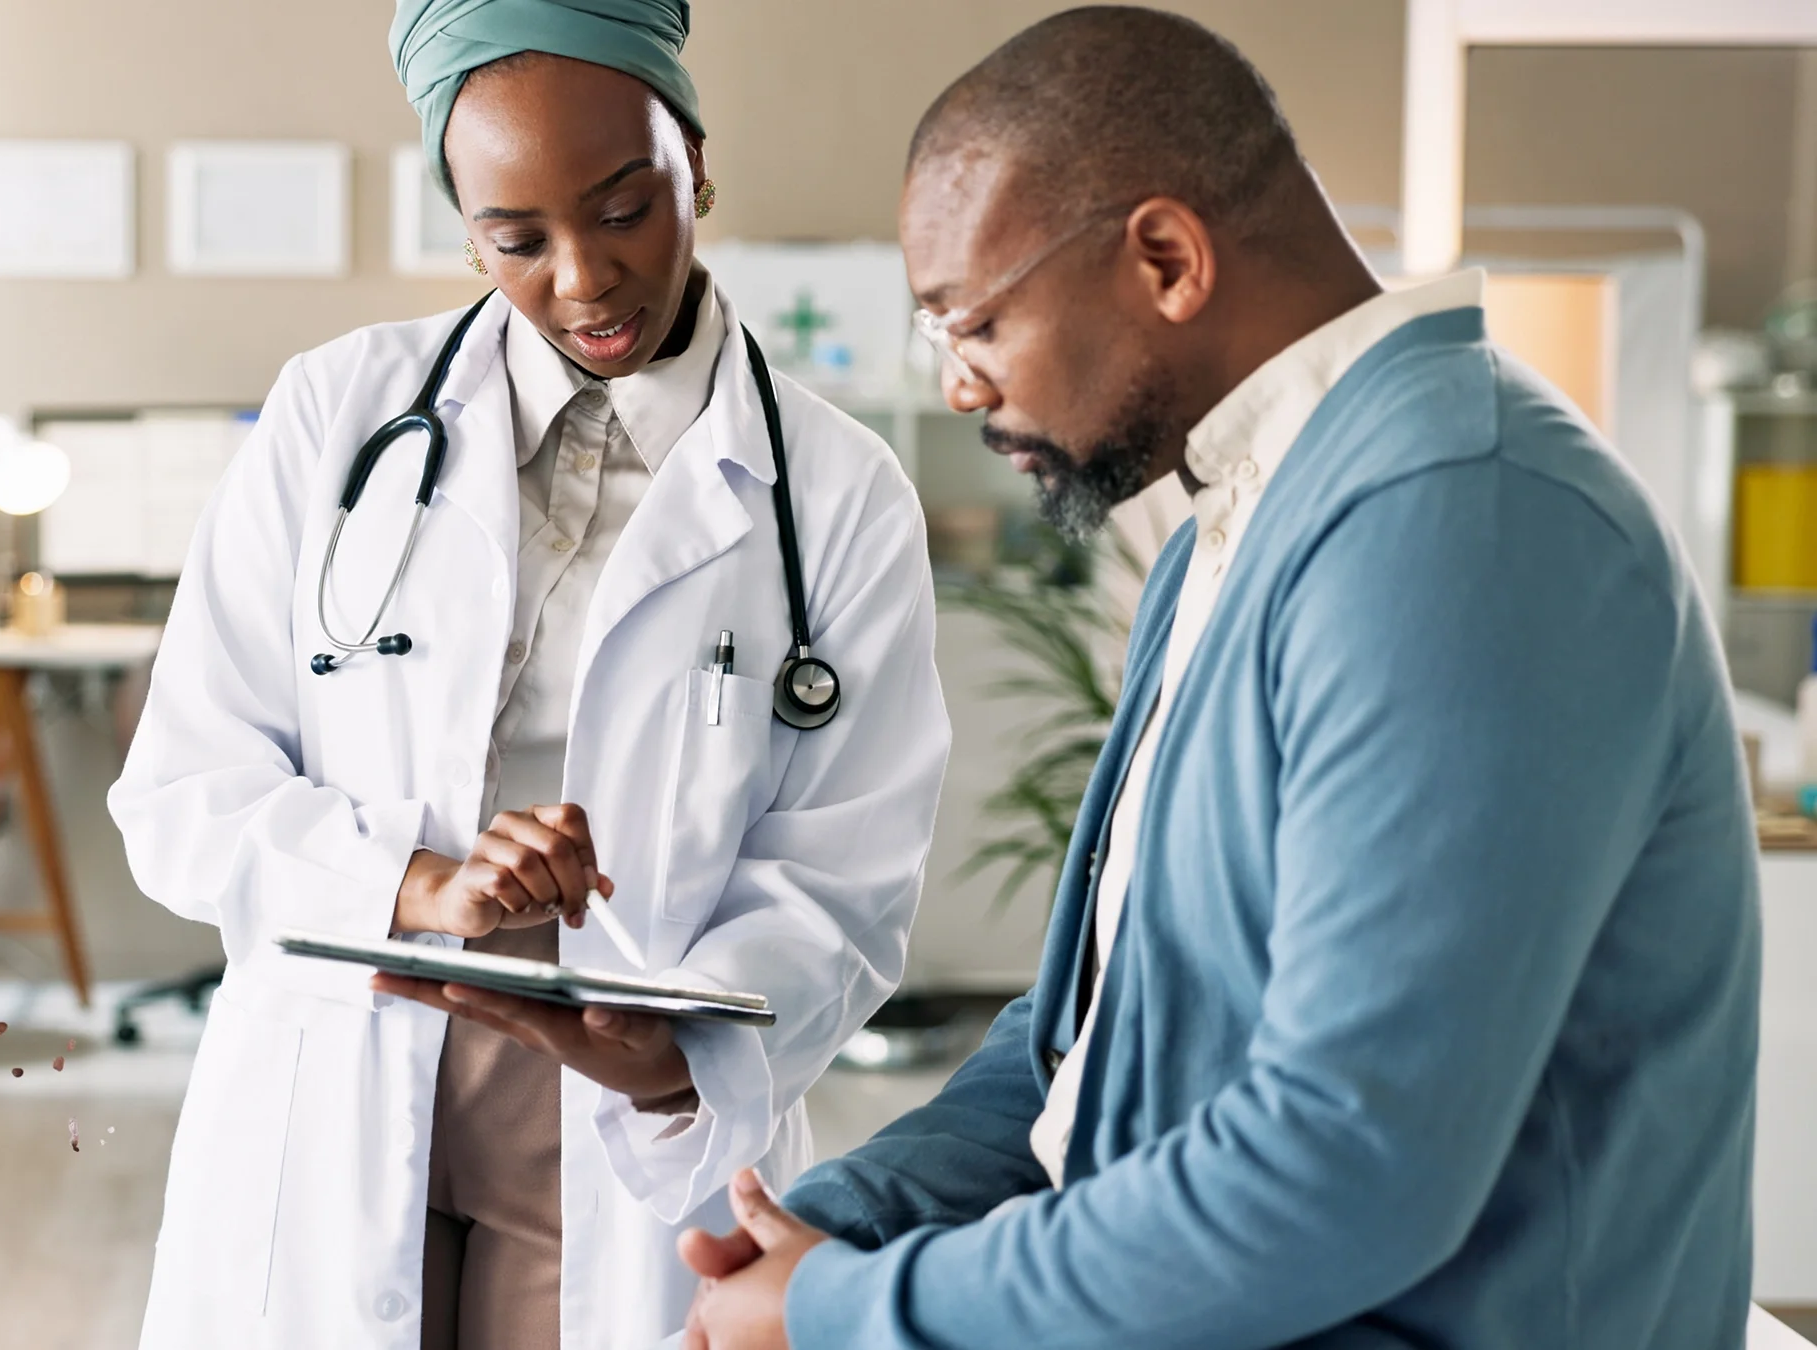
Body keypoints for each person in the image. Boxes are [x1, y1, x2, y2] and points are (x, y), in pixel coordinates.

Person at [679, 8, 1760, 1348]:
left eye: (976, 323)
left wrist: (847, 1308)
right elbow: (1092, 1032)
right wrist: (847, 1221)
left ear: (1168, 260)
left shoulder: (1466, 515)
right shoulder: (1229, 539)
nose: (960, 387)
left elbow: (1345, 1166)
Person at [106, 2, 951, 1346]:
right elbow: (186, 790)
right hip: (336, 1078)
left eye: (624, 209)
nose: (585, 278)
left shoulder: (839, 495)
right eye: (518, 239)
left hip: (626, 1108)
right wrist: (418, 882)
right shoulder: (335, 415)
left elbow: (844, 876)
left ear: (694, 163)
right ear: (465, 227)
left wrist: (678, 1044)